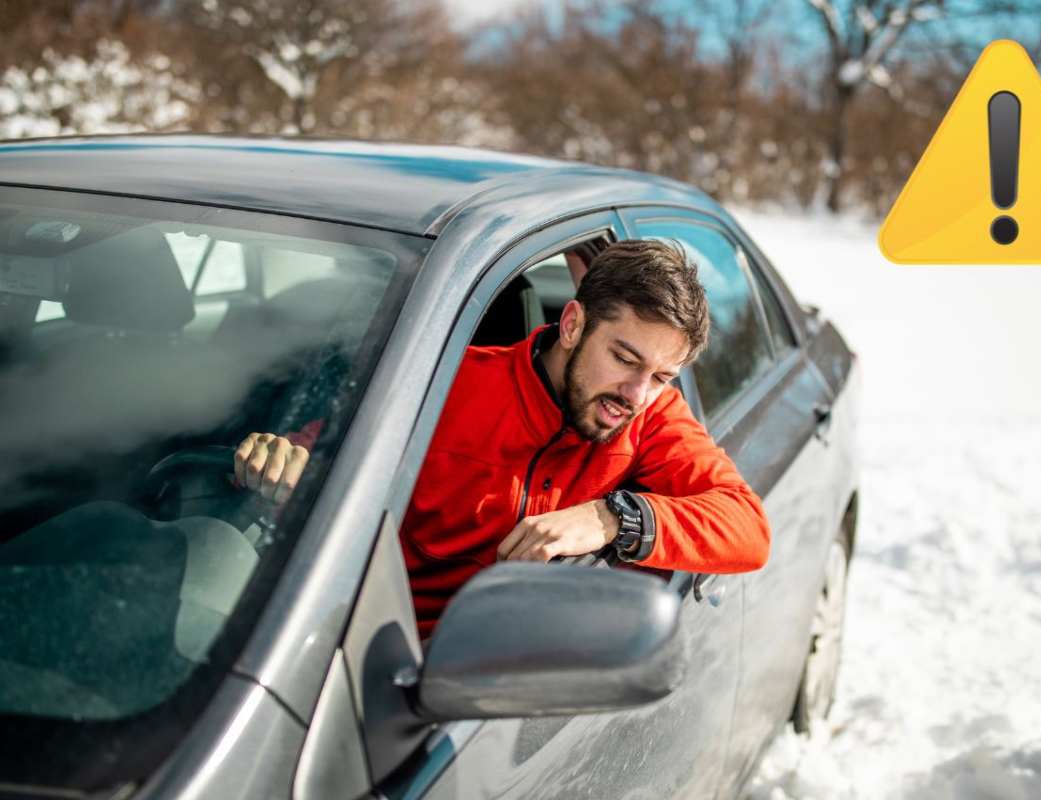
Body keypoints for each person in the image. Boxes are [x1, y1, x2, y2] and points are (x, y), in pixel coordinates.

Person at [235, 239, 770, 638]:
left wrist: (611, 518)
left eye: (660, 376)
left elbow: (748, 528)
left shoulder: (651, 416)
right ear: (573, 325)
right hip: (378, 665)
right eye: (624, 359)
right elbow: (308, 456)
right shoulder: (439, 385)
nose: (635, 393)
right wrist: (277, 458)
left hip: (518, 683)